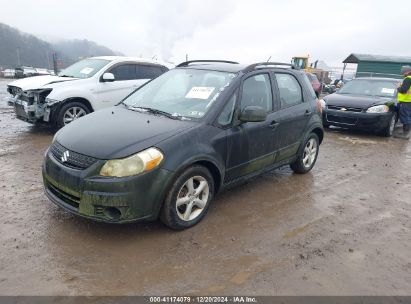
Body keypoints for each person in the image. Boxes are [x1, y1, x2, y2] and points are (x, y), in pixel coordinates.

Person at [394, 66, 411, 139]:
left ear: (407, 72)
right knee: (408, 117)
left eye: (403, 72)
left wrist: (398, 87)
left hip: (405, 101)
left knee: (405, 117)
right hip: (408, 101)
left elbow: (403, 90)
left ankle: (405, 134)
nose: (402, 74)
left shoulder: (408, 79)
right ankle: (406, 133)